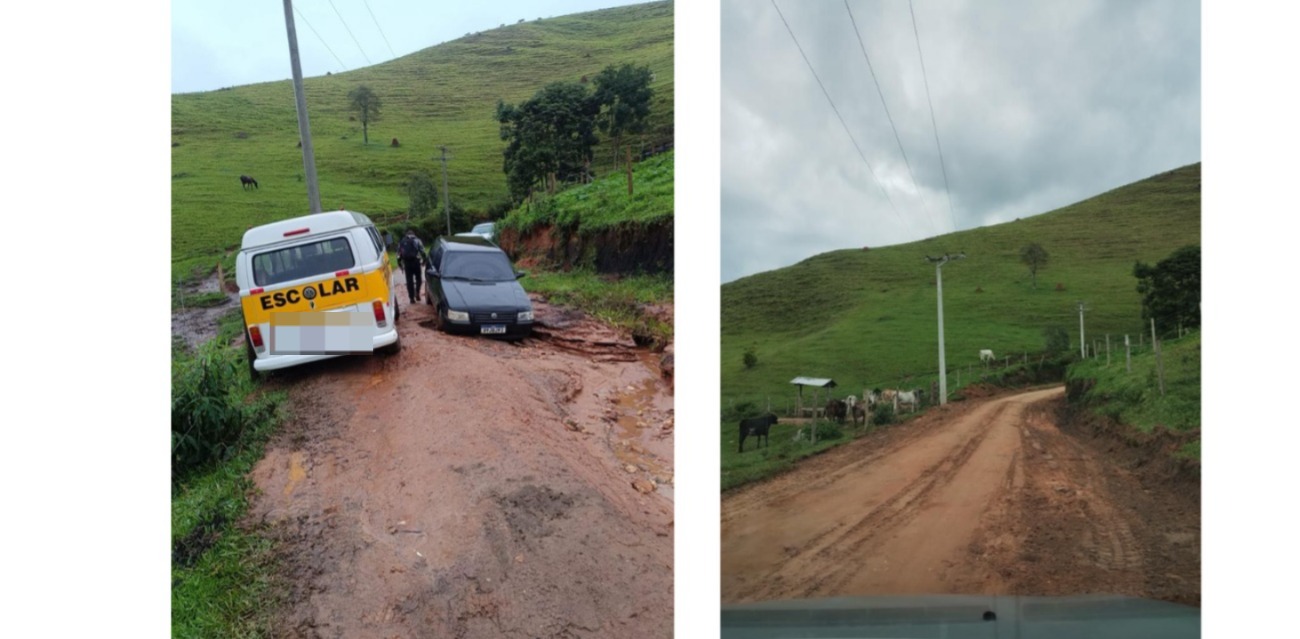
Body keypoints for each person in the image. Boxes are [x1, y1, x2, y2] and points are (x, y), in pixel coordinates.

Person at [397, 229, 428, 304]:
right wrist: (424, 260)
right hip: (416, 262)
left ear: (406, 235)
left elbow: (398, 254)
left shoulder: (402, 242)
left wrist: (400, 264)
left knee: (409, 281)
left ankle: (411, 298)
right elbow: (422, 251)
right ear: (414, 234)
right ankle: (417, 292)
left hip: (407, 263)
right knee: (418, 278)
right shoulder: (417, 240)